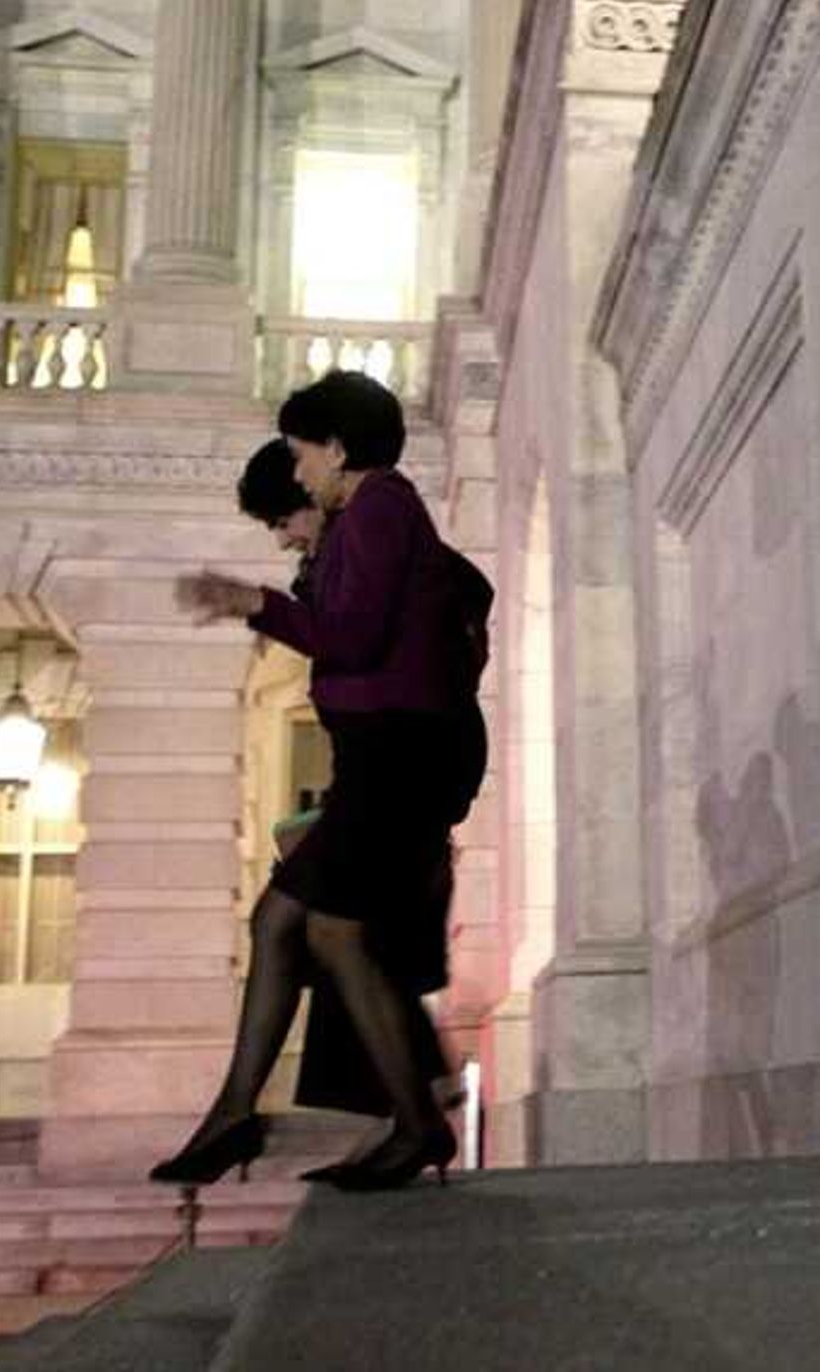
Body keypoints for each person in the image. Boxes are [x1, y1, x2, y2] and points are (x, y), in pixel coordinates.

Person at [157, 373, 491, 1193]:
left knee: (313, 929)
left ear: (337, 448)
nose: (298, 471)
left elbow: (353, 637)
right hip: (384, 758)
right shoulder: (366, 519)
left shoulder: (379, 508)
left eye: (303, 454)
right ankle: (257, 1116)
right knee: (294, 924)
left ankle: (390, 1123)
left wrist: (253, 602)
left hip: (400, 758)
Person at [233, 439, 455, 1133]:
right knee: (337, 936)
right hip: (379, 779)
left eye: (284, 519)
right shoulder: (333, 564)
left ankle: (415, 1110)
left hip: (397, 778)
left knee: (317, 927)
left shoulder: (372, 540)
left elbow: (361, 650)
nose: (283, 538)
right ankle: (413, 1106)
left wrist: (262, 605)